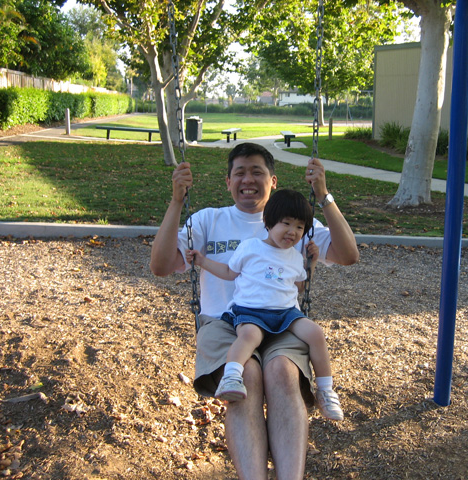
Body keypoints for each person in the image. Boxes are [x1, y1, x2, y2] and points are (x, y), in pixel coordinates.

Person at [150, 142, 359, 480]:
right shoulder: (209, 220)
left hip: (282, 322)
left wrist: (324, 196)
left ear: (273, 181)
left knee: (282, 372)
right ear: (228, 182)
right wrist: (176, 202)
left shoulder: (293, 222)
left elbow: (349, 254)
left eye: (257, 171)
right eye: (240, 172)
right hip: (224, 323)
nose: (248, 179)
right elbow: (160, 266)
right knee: (245, 376)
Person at [185, 189, 343, 421]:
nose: (292, 232)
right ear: (268, 223)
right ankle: (231, 376)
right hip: (250, 311)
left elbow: (300, 286)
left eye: (300, 227)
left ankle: (325, 390)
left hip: (286, 313)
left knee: (315, 333)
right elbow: (229, 272)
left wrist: (313, 263)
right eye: (286, 223)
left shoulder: (295, 256)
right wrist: (202, 261)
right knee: (249, 336)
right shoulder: (251, 247)